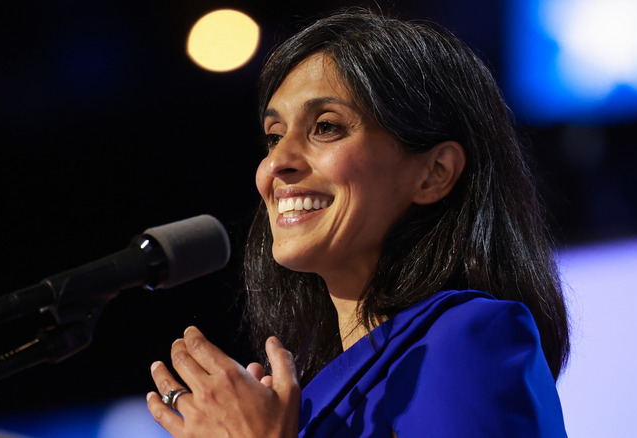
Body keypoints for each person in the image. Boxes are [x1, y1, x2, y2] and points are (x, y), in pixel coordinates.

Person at [146, 8, 570, 437]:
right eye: (274, 136)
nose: (276, 162)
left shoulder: (465, 339)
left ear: (434, 172)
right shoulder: (307, 397)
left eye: (326, 127)